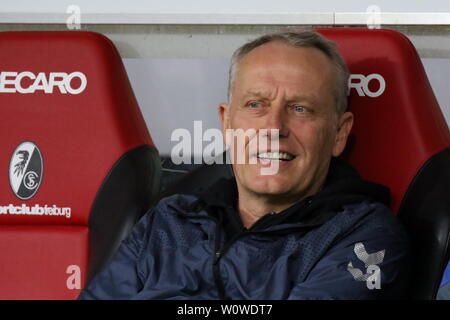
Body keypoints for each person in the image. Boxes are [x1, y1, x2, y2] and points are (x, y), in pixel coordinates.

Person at [78, 30, 410, 300]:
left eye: (301, 109)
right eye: (256, 104)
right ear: (227, 123)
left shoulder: (364, 237)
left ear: (339, 133)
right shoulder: (169, 220)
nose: (274, 128)